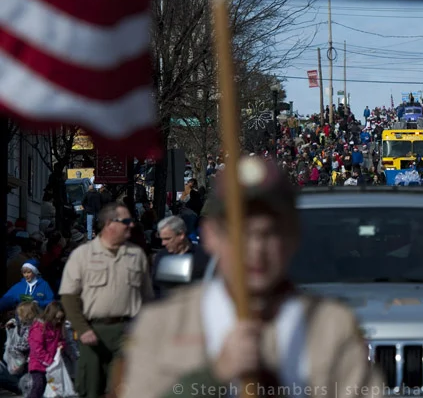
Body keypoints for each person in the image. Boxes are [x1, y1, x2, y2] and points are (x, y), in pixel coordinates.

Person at [119, 156, 383, 398]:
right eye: (240, 233)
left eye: (270, 233)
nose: (256, 249)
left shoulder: (331, 326)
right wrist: (212, 376)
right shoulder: (163, 325)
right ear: (211, 236)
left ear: (293, 237)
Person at [59, 202, 153, 398]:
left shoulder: (136, 255)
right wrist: (82, 329)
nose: (131, 225)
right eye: (126, 221)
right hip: (93, 331)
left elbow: (147, 297)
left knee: (124, 389)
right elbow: (68, 296)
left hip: (127, 331)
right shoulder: (82, 255)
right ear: (110, 223)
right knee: (91, 388)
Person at [151, 216, 210, 299]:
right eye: (162, 239)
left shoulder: (203, 255)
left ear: (181, 235)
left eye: (167, 239)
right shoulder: (161, 257)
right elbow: (155, 287)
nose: (163, 243)